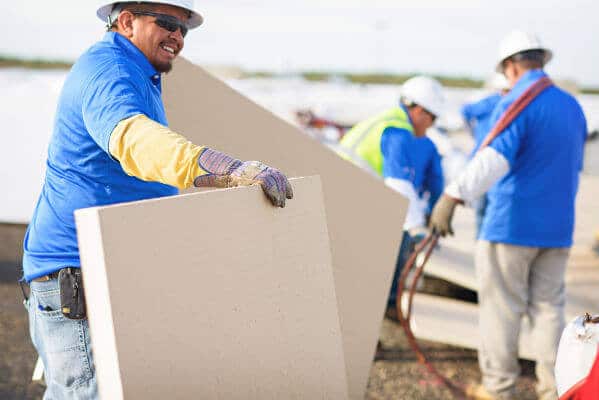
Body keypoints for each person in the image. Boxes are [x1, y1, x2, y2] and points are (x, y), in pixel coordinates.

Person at [21, 1, 293, 398]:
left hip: (97, 272)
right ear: (127, 21)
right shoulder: (109, 71)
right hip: (76, 276)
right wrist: (223, 169)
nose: (178, 37)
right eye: (167, 24)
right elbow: (136, 141)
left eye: (185, 30)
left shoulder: (136, 71)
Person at [429, 30, 587, 400]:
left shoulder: (519, 101)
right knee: (549, 312)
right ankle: (555, 390)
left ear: (511, 67)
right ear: (540, 61)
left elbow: (495, 157)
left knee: (502, 312)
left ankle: (499, 390)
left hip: (511, 226)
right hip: (557, 229)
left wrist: (454, 195)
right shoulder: (572, 107)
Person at [337, 76, 445, 310]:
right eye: (432, 118)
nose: (431, 126)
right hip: (350, 198)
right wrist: (417, 228)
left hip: (343, 193)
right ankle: (385, 305)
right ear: (419, 110)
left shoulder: (384, 121)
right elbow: (399, 183)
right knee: (400, 233)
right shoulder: (398, 132)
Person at [461, 73, 510, 237]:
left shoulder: (502, 103)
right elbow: (466, 111)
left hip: (493, 161)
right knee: (485, 208)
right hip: (487, 160)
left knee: (486, 209)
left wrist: (472, 132)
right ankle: (483, 243)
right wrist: (474, 133)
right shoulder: (494, 102)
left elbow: (465, 111)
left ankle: (483, 242)